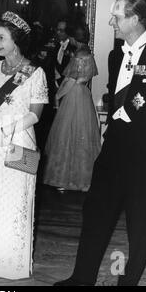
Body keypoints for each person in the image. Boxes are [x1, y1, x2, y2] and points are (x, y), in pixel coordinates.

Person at [54, 0, 146, 286]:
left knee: (141, 227)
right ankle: (81, 278)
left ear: (134, 20)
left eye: (117, 17)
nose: (111, 22)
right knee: (95, 213)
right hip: (113, 152)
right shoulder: (115, 57)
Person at [0, 11, 49, 280]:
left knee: (16, 200)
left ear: (15, 40)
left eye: (1, 37)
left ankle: (12, 262)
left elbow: (36, 113)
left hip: (20, 143)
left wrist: (9, 128)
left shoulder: (35, 72)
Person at [42, 27, 101, 192]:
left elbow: (70, 81)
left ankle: (63, 179)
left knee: (66, 134)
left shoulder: (77, 56)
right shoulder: (88, 52)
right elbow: (85, 78)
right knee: (82, 134)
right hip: (84, 95)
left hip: (74, 94)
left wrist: (57, 95)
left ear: (75, 39)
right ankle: (83, 180)